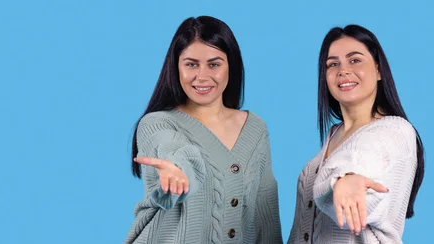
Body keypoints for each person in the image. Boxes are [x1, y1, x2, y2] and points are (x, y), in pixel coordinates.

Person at [124, 16, 283, 244]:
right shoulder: (156, 123)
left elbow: (265, 214)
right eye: (191, 64)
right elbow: (170, 147)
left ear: (231, 65)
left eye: (214, 64)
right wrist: (178, 170)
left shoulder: (255, 129)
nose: (202, 76)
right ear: (176, 67)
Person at [287, 24, 425, 243]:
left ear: (379, 70)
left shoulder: (395, 131)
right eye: (333, 64)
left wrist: (346, 179)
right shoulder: (333, 135)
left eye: (355, 60)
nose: (343, 70)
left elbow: (360, 160)